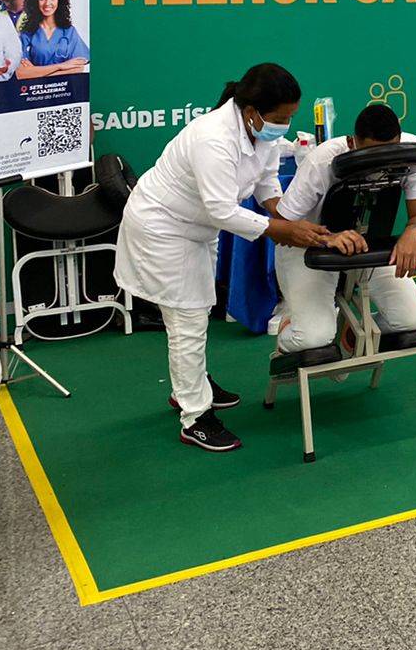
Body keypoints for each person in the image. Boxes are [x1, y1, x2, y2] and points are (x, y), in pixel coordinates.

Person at [113, 63, 331, 452]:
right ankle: (194, 416)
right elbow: (221, 210)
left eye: (291, 117)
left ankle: (190, 384)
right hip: (163, 227)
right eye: (281, 118)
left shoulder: (257, 131)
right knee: (187, 319)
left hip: (195, 229)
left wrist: (287, 217)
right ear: (252, 111)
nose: (285, 125)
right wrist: (285, 231)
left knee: (198, 310)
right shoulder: (213, 137)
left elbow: (265, 183)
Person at [271, 104, 416, 366]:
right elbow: (280, 229)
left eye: (388, 150)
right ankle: (290, 327)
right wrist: (327, 238)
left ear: (399, 140)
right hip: (309, 248)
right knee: (314, 338)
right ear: (353, 142)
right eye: (371, 153)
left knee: (412, 318)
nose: (381, 160)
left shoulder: (411, 152)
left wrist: (413, 232)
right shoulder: (322, 161)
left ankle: (351, 333)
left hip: (367, 244)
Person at [17, 0, 89, 78]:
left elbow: (79, 68)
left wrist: (36, 73)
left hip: (64, 90)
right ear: (34, 1)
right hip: (37, 91)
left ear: (60, 1)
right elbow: (21, 74)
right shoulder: (27, 34)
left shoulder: (69, 32)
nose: (47, 3)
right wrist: (62, 66)